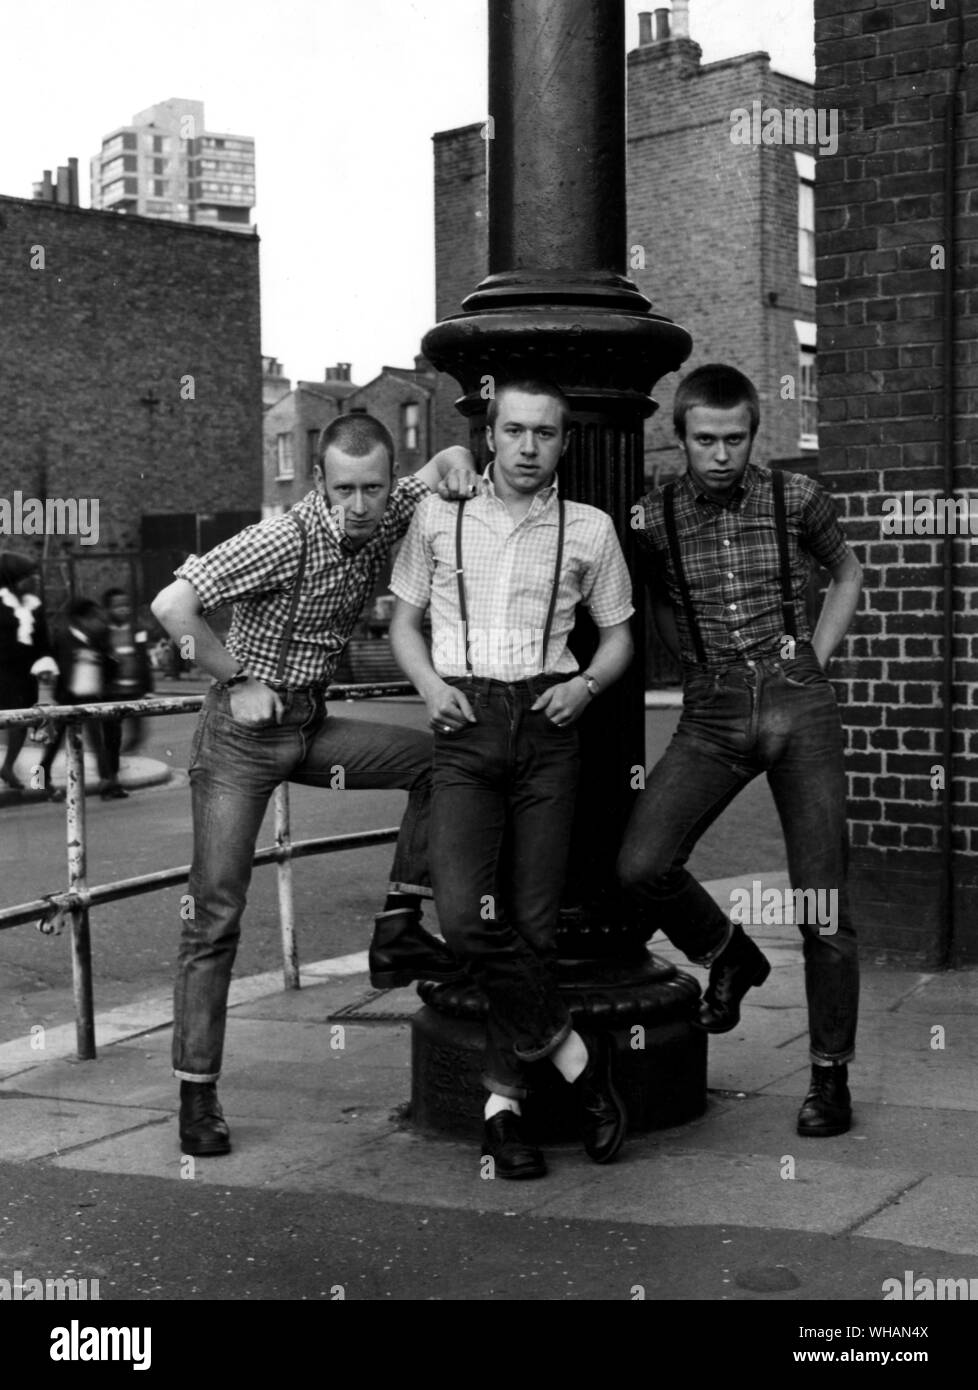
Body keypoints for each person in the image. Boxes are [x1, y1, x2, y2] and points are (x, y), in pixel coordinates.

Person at [150, 415, 479, 1158]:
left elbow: (442, 464)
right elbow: (172, 608)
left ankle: (398, 929)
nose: (359, 506)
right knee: (216, 915)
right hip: (240, 738)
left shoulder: (390, 506)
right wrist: (237, 679)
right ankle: (197, 1095)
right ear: (318, 486)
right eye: (342, 490)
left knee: (435, 763)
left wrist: (458, 452)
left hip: (308, 727)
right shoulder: (283, 538)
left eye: (372, 487)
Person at [390, 379, 635, 1179]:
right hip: (464, 724)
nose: (530, 447)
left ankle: (503, 1110)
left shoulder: (590, 528)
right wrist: (429, 688)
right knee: (464, 921)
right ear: (489, 435)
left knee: (532, 925)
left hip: (548, 723)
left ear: (565, 442)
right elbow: (402, 620)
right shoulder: (438, 511)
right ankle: (579, 1063)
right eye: (516, 431)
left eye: (548, 434)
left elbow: (620, 638)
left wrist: (586, 685)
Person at [617, 363, 863, 1138]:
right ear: (680, 437)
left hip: (797, 699)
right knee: (641, 863)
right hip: (713, 710)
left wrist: (815, 659)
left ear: (754, 435)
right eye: (704, 440)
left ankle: (829, 1078)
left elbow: (848, 569)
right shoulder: (651, 517)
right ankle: (731, 953)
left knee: (821, 905)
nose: (719, 454)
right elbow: (651, 592)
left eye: (734, 439)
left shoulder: (796, 497)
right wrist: (692, 665)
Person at [38, 597, 116, 800]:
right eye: (94, 618)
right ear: (82, 619)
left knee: (97, 740)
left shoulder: (94, 638)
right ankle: (38, 781)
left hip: (89, 696)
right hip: (68, 698)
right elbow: (62, 667)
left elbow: (105, 664)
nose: (99, 622)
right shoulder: (64, 638)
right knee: (53, 743)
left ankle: (107, 782)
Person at [0, 551, 58, 795]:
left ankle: (8, 766)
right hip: (1, 672)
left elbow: (42, 642)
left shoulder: (35, 606)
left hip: (24, 674)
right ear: (12, 579)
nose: (34, 580)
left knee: (22, 722)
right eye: (27, 576)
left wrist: (46, 663)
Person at [100, 587, 154, 793]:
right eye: (117, 606)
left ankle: (111, 767)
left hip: (134, 691)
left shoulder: (137, 629)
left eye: (125, 605)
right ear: (107, 609)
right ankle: (111, 778)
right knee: (112, 738)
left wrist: (148, 688)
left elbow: (143, 660)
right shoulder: (102, 631)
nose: (123, 610)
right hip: (111, 693)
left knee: (137, 735)